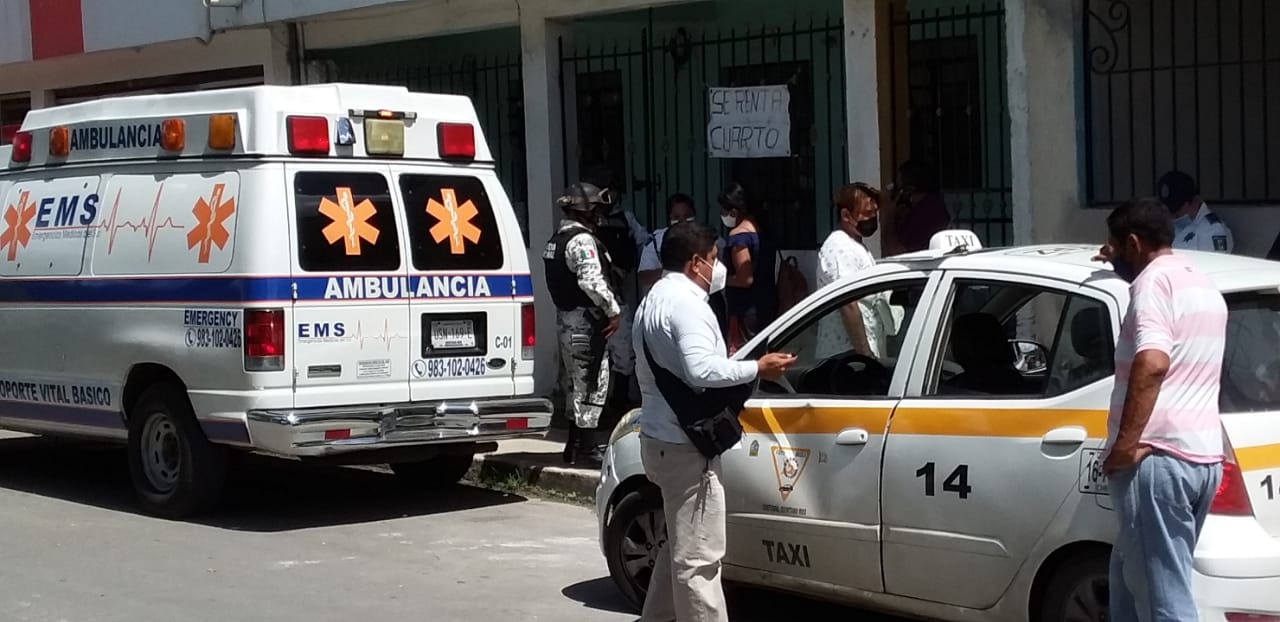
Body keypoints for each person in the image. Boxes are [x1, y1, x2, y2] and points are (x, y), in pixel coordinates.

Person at [633, 221, 795, 622]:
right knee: (698, 561)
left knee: (679, 547)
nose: (717, 266)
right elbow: (701, 370)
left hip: (661, 436)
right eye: (713, 258)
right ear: (695, 263)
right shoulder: (686, 304)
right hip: (686, 446)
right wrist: (757, 366)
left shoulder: (653, 297)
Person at [1092, 197, 1228, 622]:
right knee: (1129, 586)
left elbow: (1153, 362)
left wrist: (1125, 446)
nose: (1109, 251)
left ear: (1133, 243)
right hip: (1201, 457)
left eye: (1113, 244)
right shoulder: (1202, 284)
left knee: (1163, 601)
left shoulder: (1151, 283)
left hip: (1157, 459)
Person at [541, 182, 622, 466]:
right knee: (592, 381)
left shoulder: (558, 238)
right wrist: (612, 309)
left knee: (576, 383)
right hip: (585, 321)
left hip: (568, 320)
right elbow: (591, 281)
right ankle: (587, 447)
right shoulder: (581, 240)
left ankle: (574, 445)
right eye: (597, 209)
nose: (600, 214)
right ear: (585, 211)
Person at [814, 183, 894, 360]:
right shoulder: (840, 247)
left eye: (874, 213)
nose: (872, 218)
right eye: (866, 214)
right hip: (847, 357)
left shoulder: (856, 245)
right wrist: (864, 354)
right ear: (846, 215)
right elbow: (848, 302)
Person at [719, 182, 776, 354]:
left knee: (745, 357)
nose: (722, 215)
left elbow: (745, 278)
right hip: (767, 303)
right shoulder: (763, 231)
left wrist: (720, 279)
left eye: (723, 210)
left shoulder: (739, 236)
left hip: (746, 309)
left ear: (734, 211)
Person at [882, 160, 951, 256]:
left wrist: (889, 215)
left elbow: (896, 251)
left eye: (898, 187)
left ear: (907, 190)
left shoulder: (925, 212)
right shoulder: (931, 206)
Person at [1158, 170, 1234, 253]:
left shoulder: (1213, 231)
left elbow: (1214, 264)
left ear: (1195, 201)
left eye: (1177, 209)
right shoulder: (1174, 228)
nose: (1173, 214)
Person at [638, 193, 697, 292]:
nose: (682, 221)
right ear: (669, 218)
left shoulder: (705, 239)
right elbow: (644, 276)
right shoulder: (655, 242)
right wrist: (670, 272)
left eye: (687, 216)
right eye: (676, 217)